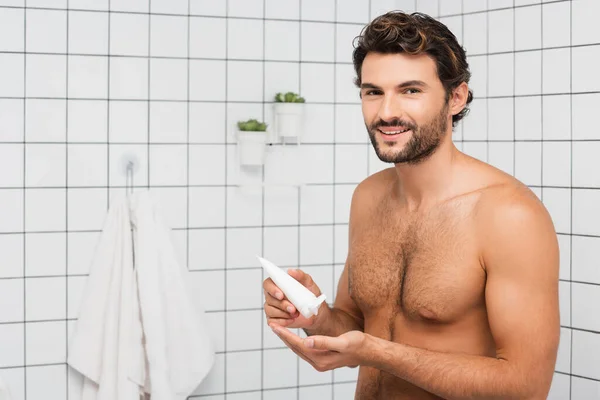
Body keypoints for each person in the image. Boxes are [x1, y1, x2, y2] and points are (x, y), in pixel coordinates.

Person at [262, 10, 560, 400]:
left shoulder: (509, 215)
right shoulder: (368, 197)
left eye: (410, 90)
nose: (386, 112)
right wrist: (316, 317)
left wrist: (376, 353)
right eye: (373, 92)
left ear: (456, 97)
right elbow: (356, 327)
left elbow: (526, 387)